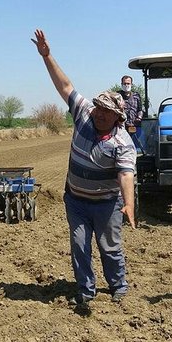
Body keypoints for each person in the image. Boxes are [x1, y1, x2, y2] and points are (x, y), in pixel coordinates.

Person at [32, 29, 137, 308]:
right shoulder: (84, 113)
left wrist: (129, 204)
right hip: (76, 201)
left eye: (105, 110)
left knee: (109, 247)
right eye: (98, 107)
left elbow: (126, 174)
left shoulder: (122, 142)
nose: (99, 112)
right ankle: (86, 290)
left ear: (117, 116)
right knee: (79, 246)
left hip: (106, 203)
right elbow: (64, 86)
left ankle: (118, 286)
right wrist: (47, 56)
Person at [118, 75, 144, 150]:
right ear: (122, 84)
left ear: (131, 84)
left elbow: (140, 109)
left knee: (137, 146)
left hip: (134, 126)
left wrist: (139, 117)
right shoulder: (117, 95)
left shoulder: (136, 96)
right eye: (124, 83)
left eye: (128, 83)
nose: (126, 85)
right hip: (121, 127)